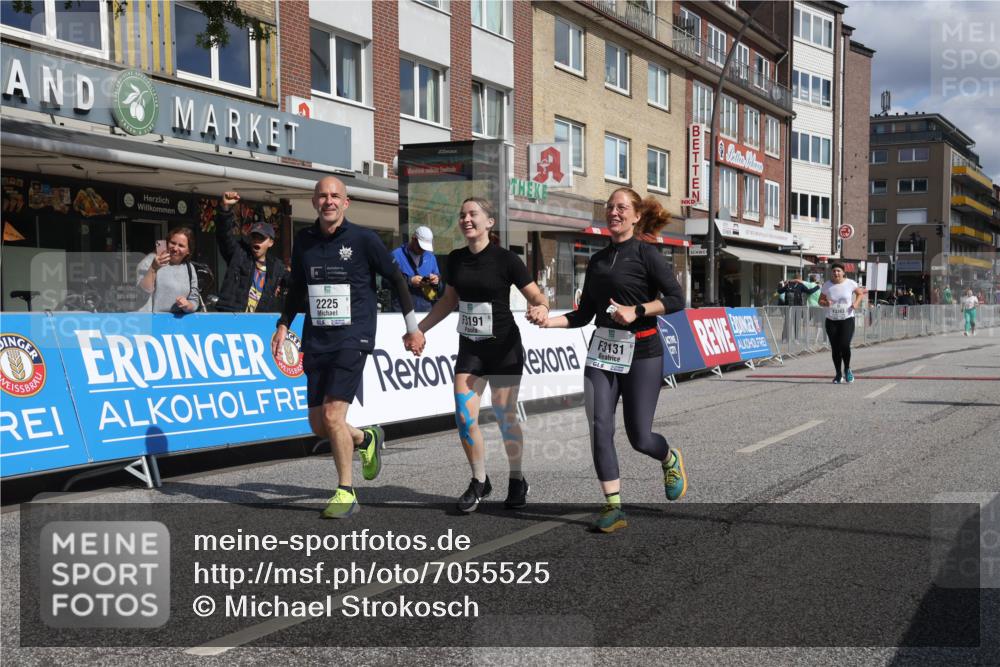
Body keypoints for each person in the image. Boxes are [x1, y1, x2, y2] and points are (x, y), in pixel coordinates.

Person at [272, 176, 425, 519]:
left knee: (332, 415)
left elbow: (397, 279)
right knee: (317, 423)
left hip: (353, 337)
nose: (329, 201)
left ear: (346, 202)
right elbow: (297, 288)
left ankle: (346, 491)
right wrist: (284, 324)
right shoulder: (305, 241)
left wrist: (412, 329)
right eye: (323, 196)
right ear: (314, 202)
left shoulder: (364, 239)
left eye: (335, 196)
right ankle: (365, 439)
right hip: (316, 338)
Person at [536, 187, 686, 533]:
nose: (613, 212)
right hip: (601, 351)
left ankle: (668, 457)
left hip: (643, 352)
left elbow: (677, 300)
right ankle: (613, 506)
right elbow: (584, 314)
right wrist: (549, 321)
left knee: (640, 437)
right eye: (609, 207)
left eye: (621, 207)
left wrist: (637, 311)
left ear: (635, 216)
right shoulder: (599, 261)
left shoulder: (647, 254)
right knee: (600, 424)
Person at [406, 198, 549, 512]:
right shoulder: (455, 259)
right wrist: (420, 330)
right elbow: (448, 301)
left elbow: (536, 294)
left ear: (489, 222)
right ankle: (479, 480)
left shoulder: (507, 259)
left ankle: (517, 478)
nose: (466, 219)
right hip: (471, 347)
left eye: (473, 214)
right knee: (463, 415)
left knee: (504, 414)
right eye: (462, 214)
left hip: (504, 347)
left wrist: (540, 306)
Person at [214, 191, 288, 313]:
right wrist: (225, 208)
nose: (256, 242)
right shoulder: (239, 253)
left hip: (259, 321)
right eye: (254, 237)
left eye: (261, 238)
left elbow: (295, 284)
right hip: (232, 317)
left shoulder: (277, 267)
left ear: (271, 242)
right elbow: (224, 235)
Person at [818, 262, 866, 384]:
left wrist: (856, 304)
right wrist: (825, 303)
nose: (836, 273)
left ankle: (848, 369)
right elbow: (820, 301)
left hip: (847, 319)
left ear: (843, 272)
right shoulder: (827, 285)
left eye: (838, 271)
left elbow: (860, 293)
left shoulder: (850, 283)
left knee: (844, 345)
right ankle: (838, 374)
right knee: (835, 348)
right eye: (834, 271)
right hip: (831, 320)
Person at [135, 226, 200, 313]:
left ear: (188, 251)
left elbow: (194, 300)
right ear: (166, 243)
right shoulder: (150, 261)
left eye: (181, 245)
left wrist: (187, 305)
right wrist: (153, 268)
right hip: (151, 323)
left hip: (177, 323)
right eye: (172, 243)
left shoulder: (189, 267)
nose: (175, 248)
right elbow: (140, 295)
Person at [391, 225, 441, 312]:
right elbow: (386, 282)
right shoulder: (396, 255)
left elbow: (439, 286)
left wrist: (436, 281)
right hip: (402, 311)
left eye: (425, 248)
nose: (422, 250)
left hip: (425, 310)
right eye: (420, 247)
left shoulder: (430, 257)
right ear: (413, 239)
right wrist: (409, 281)